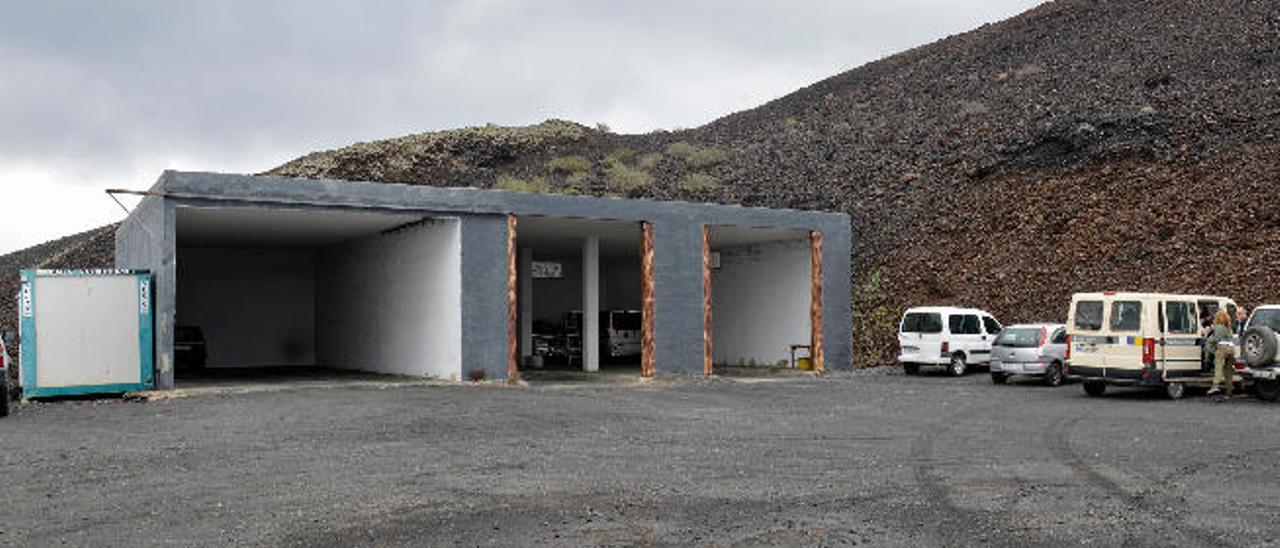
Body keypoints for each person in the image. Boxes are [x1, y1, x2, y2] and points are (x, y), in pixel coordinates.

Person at [1207, 310, 1237, 396]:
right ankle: (1229, 390)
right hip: (1231, 349)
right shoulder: (1229, 328)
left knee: (1218, 367)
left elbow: (1216, 340)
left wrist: (1212, 331)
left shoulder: (1219, 327)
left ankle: (1215, 386)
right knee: (1228, 371)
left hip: (1222, 348)